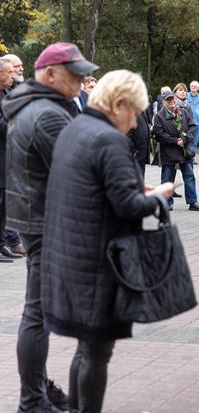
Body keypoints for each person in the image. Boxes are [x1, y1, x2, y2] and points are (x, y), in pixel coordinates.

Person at [40, 70, 175, 413]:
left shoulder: (76, 129)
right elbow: (127, 206)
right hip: (98, 262)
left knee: (85, 348)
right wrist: (158, 196)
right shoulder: (108, 139)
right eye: (133, 114)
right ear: (118, 105)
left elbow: (93, 189)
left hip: (72, 255)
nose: (134, 124)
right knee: (97, 353)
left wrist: (134, 190)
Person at [2, 42, 98, 412]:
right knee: (37, 313)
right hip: (47, 220)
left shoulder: (34, 105)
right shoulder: (47, 113)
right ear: (50, 74)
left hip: (35, 216)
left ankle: (39, 388)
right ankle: (32, 401)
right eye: (74, 74)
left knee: (37, 310)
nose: (80, 81)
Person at [152, 90, 199, 211]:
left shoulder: (183, 112)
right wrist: (175, 140)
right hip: (169, 152)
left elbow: (193, 126)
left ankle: (193, 202)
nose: (172, 102)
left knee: (190, 176)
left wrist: (186, 139)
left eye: (173, 99)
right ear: (163, 102)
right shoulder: (159, 116)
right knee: (167, 179)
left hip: (184, 151)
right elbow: (159, 134)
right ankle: (167, 202)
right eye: (168, 100)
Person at [0, 59, 20, 262]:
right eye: (8, 72)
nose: (12, 76)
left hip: (9, 156)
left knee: (5, 203)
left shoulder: (7, 94)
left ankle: (2, 244)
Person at [187, 80, 199, 153]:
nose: (193, 87)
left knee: (195, 140)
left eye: (195, 86)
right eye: (192, 86)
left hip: (197, 122)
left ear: (198, 88)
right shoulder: (186, 95)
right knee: (188, 138)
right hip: (188, 121)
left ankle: (192, 156)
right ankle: (187, 155)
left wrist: (198, 115)